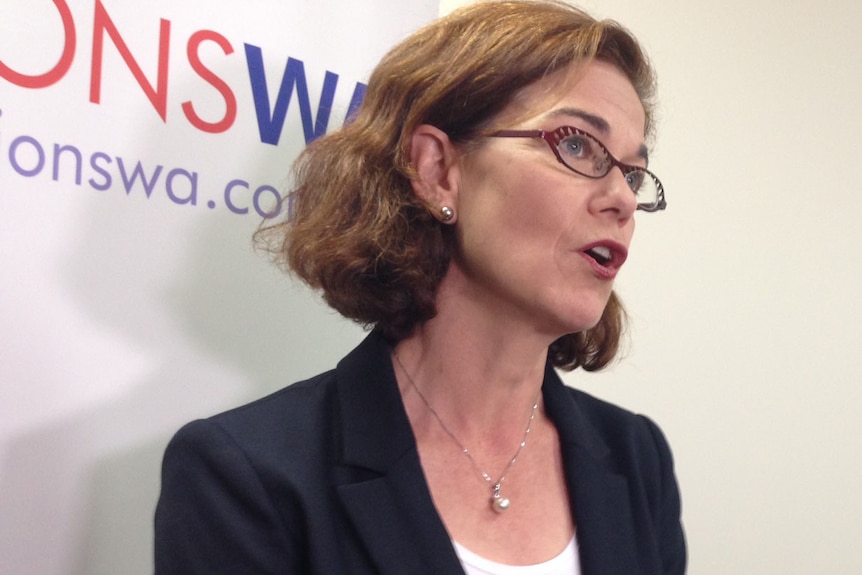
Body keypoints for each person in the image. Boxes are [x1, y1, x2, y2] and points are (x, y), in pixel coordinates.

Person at [154, 0, 685, 573]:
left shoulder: (635, 458)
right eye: (578, 144)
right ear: (437, 170)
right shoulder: (245, 476)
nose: (624, 199)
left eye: (632, 171)